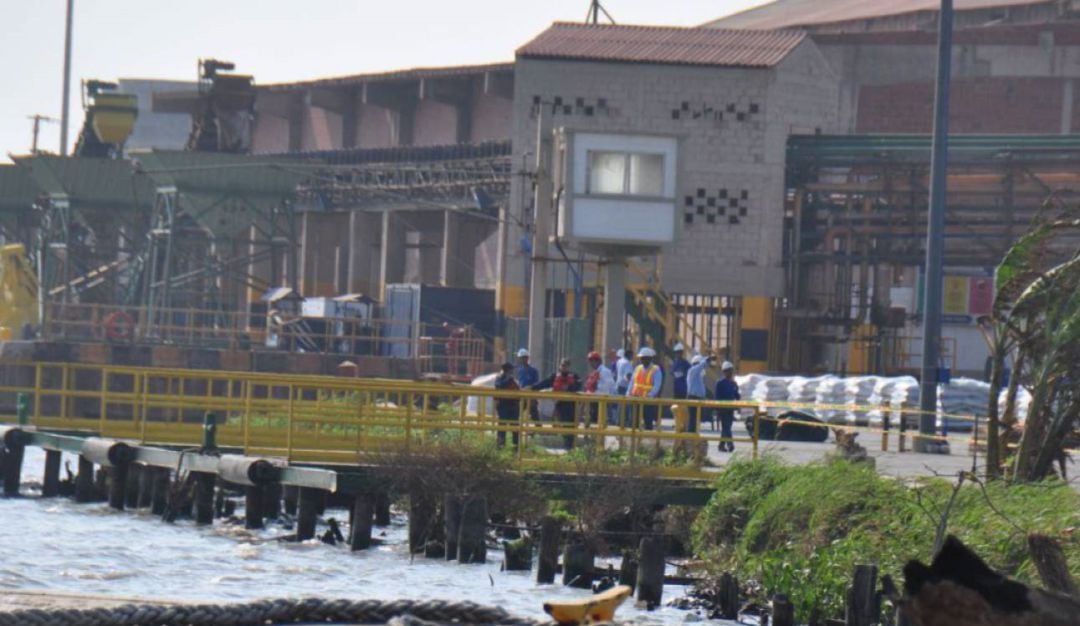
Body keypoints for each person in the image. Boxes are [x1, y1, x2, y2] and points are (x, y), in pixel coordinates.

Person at [531, 358, 582, 449]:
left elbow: (579, 386)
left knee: (571, 426)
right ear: (560, 366)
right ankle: (567, 445)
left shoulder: (574, 376)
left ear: (569, 367)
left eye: (566, 365)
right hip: (560, 404)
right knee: (563, 425)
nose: (564, 367)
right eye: (562, 365)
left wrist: (569, 387)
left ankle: (570, 446)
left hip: (571, 405)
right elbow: (544, 383)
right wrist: (533, 388)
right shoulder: (555, 376)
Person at [626, 347, 663, 430]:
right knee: (633, 422)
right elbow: (632, 382)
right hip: (635, 399)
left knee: (648, 422)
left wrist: (650, 395)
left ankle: (648, 440)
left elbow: (657, 385)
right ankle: (633, 440)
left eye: (645, 358)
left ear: (650, 359)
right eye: (641, 358)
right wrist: (628, 393)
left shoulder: (656, 370)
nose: (642, 360)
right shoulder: (638, 368)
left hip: (647, 401)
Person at [584, 350, 616, 424]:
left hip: (601, 402)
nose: (591, 363)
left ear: (597, 361)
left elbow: (605, 389)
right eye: (590, 361)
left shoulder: (604, 371)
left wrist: (591, 393)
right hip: (594, 401)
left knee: (599, 423)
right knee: (593, 422)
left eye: (592, 361)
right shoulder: (596, 372)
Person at [685, 354, 715, 433]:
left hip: (697, 398)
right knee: (693, 419)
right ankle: (690, 436)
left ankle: (694, 435)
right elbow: (701, 365)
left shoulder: (698, 375)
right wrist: (707, 359)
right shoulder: (693, 370)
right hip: (693, 398)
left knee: (696, 419)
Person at [714, 361, 740, 451]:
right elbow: (717, 397)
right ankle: (730, 444)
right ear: (724, 372)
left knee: (727, 427)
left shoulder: (733, 384)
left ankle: (721, 445)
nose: (729, 372)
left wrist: (739, 406)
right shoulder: (720, 383)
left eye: (731, 371)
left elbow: (737, 395)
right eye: (727, 371)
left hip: (730, 409)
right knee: (726, 426)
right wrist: (717, 409)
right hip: (723, 409)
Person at [493, 362, 521, 449]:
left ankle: (516, 446)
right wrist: (507, 379)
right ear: (507, 370)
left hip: (513, 405)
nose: (512, 371)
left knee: (515, 427)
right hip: (503, 405)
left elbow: (518, 390)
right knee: (502, 426)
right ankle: (500, 445)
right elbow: (499, 386)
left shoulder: (512, 380)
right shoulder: (499, 378)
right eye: (511, 369)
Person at [516, 348, 540, 422]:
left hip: (531, 395)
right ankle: (516, 429)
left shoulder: (533, 371)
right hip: (521, 395)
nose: (522, 360)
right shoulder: (519, 370)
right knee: (517, 412)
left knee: (534, 413)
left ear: (527, 358)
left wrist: (531, 389)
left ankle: (538, 428)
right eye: (521, 358)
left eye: (524, 358)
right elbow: (518, 382)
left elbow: (536, 383)